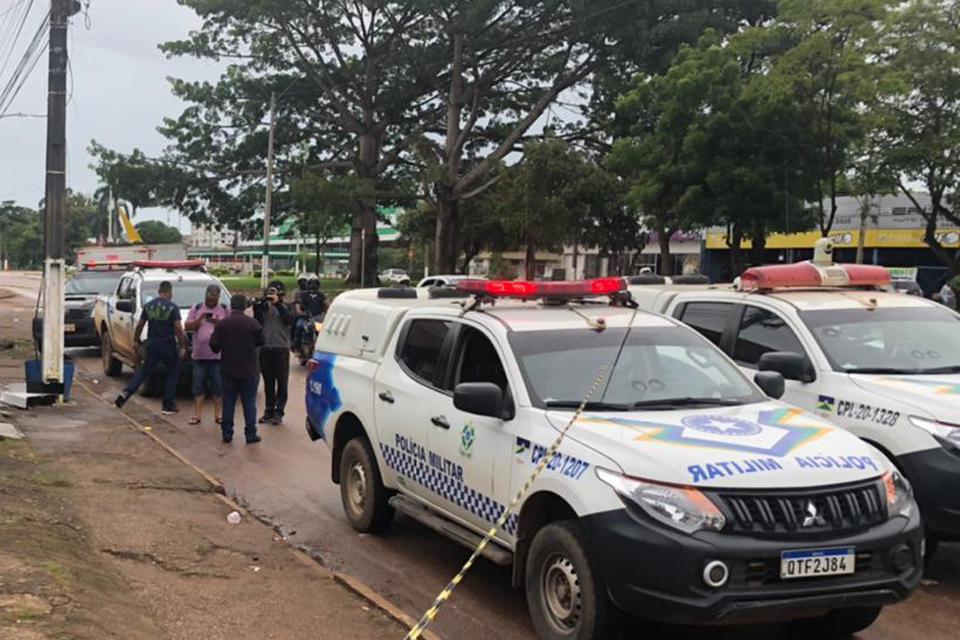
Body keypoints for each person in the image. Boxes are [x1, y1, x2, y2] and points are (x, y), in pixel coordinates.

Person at [115, 280, 187, 415]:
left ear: (159, 292)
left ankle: (126, 393)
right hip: (168, 344)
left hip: (152, 344)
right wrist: (183, 345)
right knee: (172, 372)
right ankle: (168, 404)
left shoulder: (149, 306)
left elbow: (140, 325)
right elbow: (178, 328)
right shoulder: (173, 307)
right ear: (170, 292)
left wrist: (135, 341)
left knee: (144, 371)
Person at [210, 293, 264, 444]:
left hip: (228, 368)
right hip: (248, 368)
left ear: (231, 306)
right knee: (249, 402)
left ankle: (227, 433)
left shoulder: (222, 324)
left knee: (228, 402)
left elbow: (214, 346)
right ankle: (250, 434)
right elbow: (261, 341)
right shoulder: (252, 323)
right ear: (245, 306)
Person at [184, 284, 228, 425]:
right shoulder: (196, 308)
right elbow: (187, 326)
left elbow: (230, 327)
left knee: (218, 387)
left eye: (214, 299)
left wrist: (218, 323)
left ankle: (218, 415)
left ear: (218, 297)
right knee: (198, 387)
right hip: (199, 356)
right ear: (205, 295)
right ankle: (197, 415)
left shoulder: (225, 309)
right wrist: (200, 319)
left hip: (217, 357)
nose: (211, 302)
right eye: (209, 298)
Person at [253, 280, 294, 425]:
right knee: (268, 382)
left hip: (281, 349)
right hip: (265, 348)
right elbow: (257, 322)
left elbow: (290, 320)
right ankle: (268, 410)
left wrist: (277, 304)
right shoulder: (264, 307)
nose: (272, 296)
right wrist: (258, 307)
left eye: (275, 293)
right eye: (270, 293)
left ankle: (279, 411)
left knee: (282, 383)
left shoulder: (287, 307)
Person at [293, 274, 327, 351]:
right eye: (311, 284)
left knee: (322, 330)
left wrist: (327, 313)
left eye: (315, 284)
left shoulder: (321, 295)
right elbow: (298, 305)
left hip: (318, 319)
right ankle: (297, 347)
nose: (313, 286)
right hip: (305, 318)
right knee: (298, 326)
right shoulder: (303, 295)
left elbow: (326, 305)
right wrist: (300, 312)